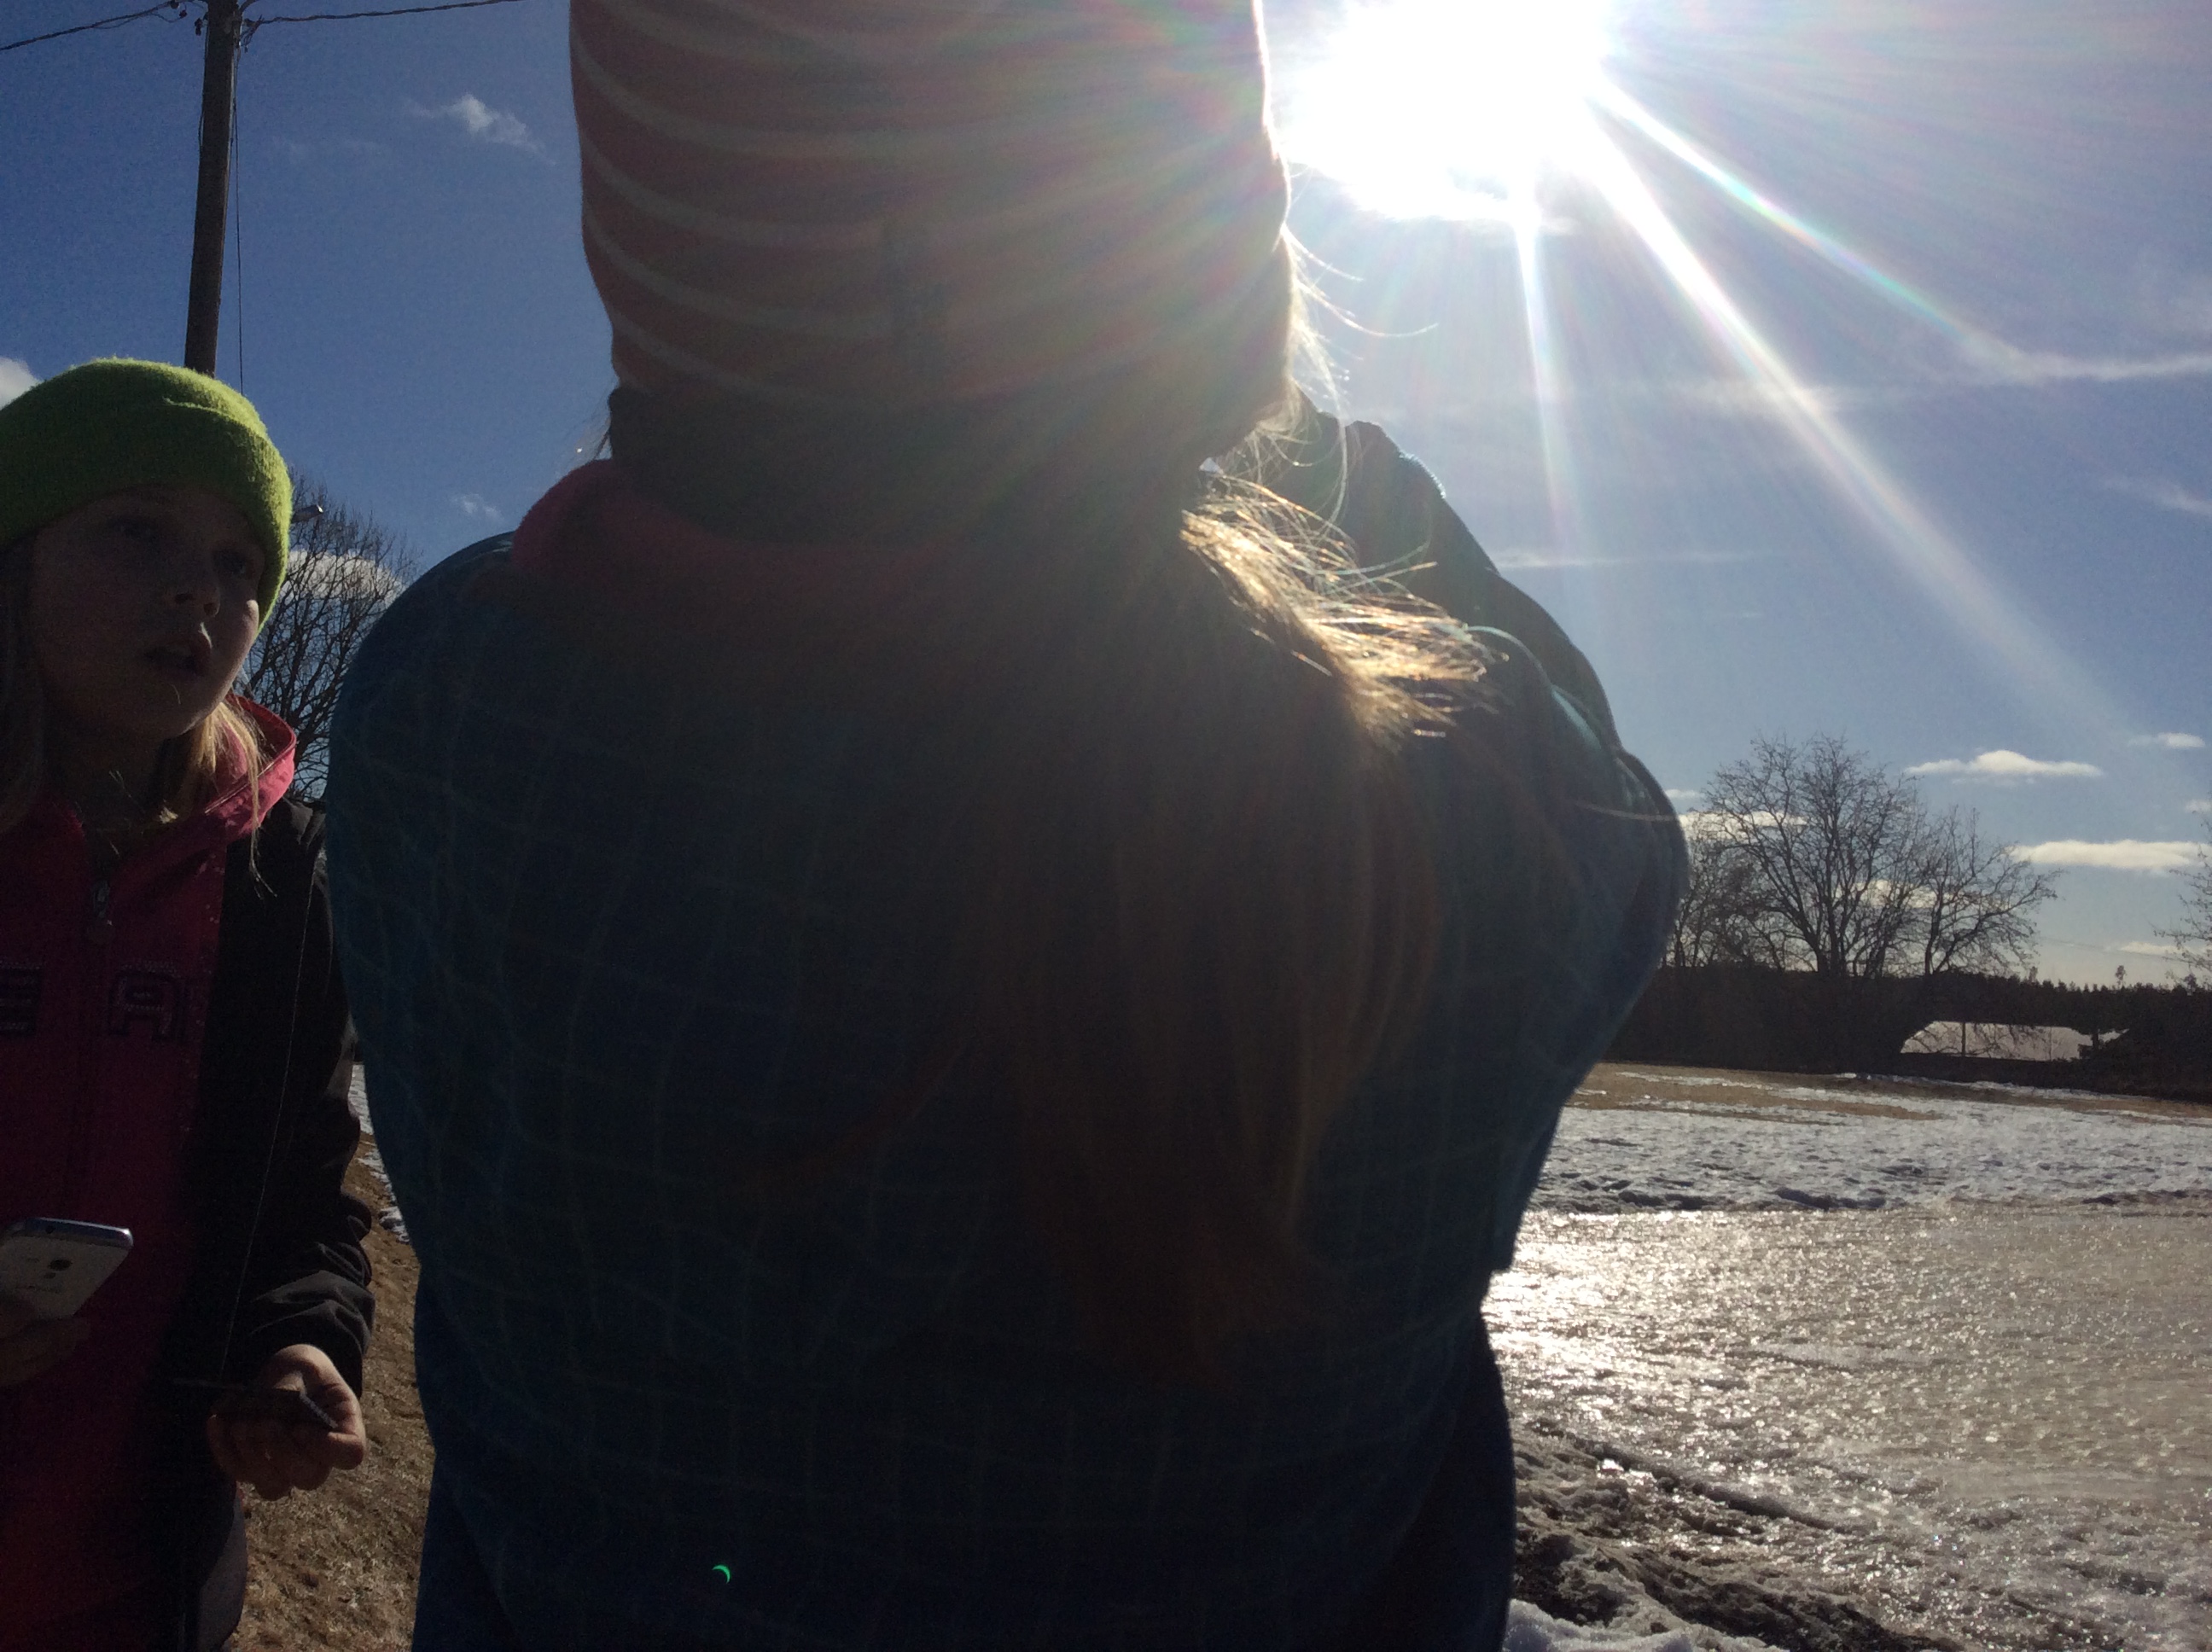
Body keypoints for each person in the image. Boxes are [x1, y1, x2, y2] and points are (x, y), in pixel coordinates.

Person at [326, 2, 1684, 1647]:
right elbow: (1612, 819)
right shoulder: (1447, 810)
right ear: (1213, 267)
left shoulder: (440, 718)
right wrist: (1347, 475)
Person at [0, 359, 374, 1652]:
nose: (199, 591)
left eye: (239, 563)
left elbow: (305, 1205)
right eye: (137, 530)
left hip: (133, 1585)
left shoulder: (281, 880)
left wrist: (302, 1345)